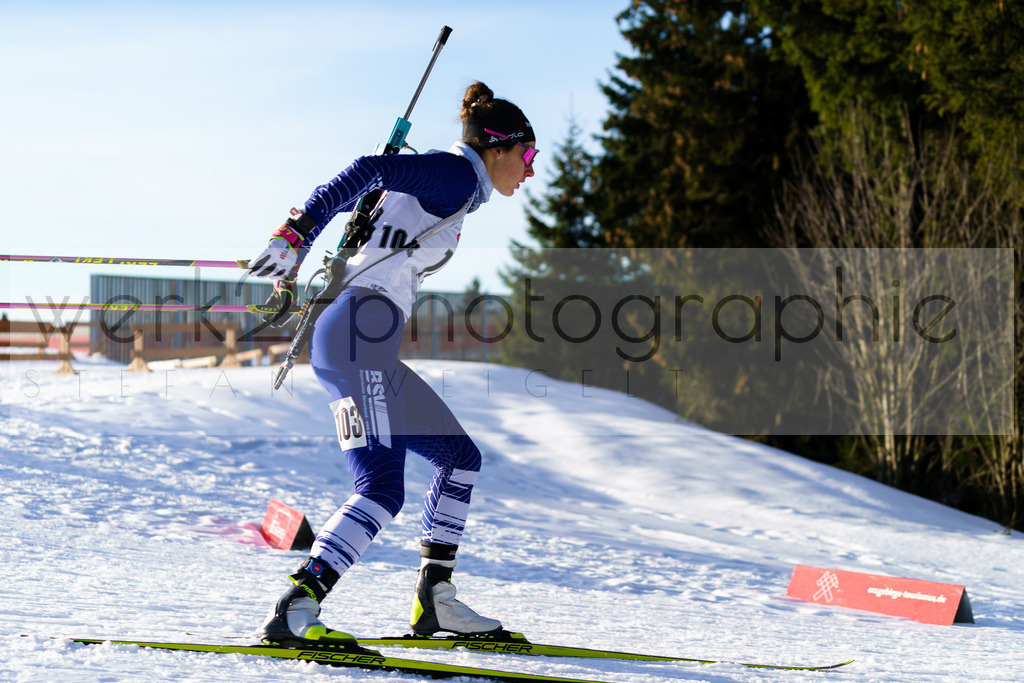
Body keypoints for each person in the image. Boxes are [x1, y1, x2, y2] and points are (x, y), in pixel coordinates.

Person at [247, 81, 537, 645]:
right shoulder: (454, 174)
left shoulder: (458, 189)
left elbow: (365, 223)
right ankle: (296, 608)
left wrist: (300, 260)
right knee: (381, 487)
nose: (529, 172)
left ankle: (437, 602)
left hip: (364, 340)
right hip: (358, 338)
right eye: (527, 156)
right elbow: (366, 167)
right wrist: (296, 230)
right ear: (498, 148)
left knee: (459, 459)